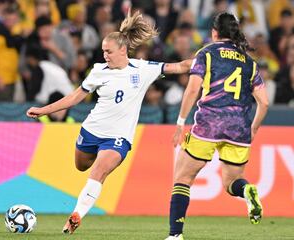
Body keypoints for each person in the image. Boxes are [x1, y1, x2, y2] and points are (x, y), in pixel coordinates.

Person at [26, 10, 192, 234]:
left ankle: (76, 215)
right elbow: (75, 97)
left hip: (118, 137)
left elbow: (180, 66)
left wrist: (208, 58)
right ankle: (81, 203)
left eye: (108, 51)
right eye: (103, 51)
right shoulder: (97, 71)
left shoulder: (143, 69)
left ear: (123, 50)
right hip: (92, 130)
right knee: (81, 166)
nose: (104, 55)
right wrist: (43, 110)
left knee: (99, 170)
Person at [165, 12, 269, 240]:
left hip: (209, 125)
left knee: (183, 178)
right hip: (239, 128)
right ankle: (247, 190)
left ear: (214, 32)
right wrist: (253, 128)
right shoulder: (249, 63)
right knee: (232, 182)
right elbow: (264, 102)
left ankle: (175, 235)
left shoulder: (206, 53)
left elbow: (193, 89)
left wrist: (180, 123)